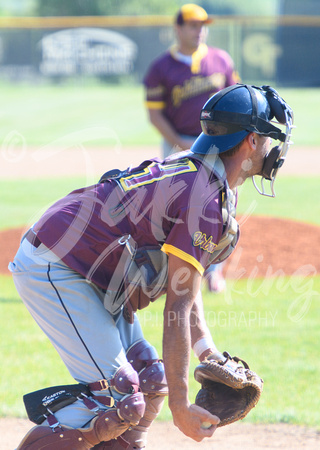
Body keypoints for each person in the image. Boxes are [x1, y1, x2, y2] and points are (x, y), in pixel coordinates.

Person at [10, 84, 293, 449]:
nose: (272, 148)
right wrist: (180, 407)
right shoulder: (203, 196)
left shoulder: (210, 182)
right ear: (251, 141)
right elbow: (177, 305)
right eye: (269, 138)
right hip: (56, 263)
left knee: (151, 381)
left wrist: (208, 352)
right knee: (120, 396)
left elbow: (184, 287)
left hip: (91, 272)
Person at [144, 3, 240, 294]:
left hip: (219, 145)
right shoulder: (161, 67)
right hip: (178, 142)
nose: (200, 31)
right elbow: (155, 113)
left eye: (203, 25)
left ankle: (214, 272)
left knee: (222, 207)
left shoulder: (221, 60)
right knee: (174, 205)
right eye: (193, 25)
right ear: (178, 28)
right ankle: (169, 269)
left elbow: (236, 103)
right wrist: (177, 139)